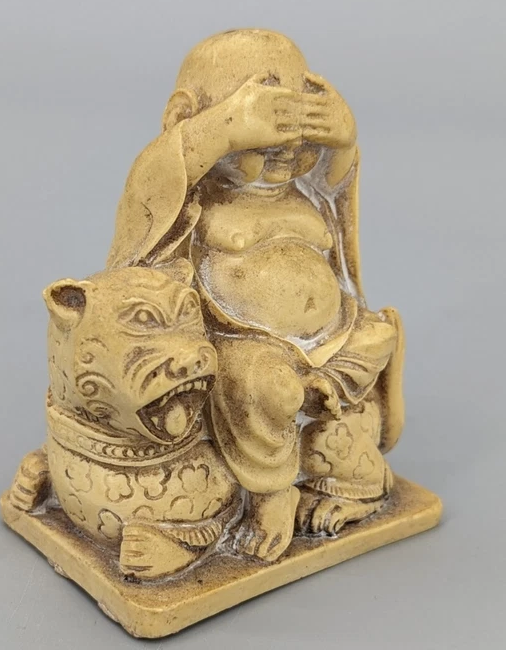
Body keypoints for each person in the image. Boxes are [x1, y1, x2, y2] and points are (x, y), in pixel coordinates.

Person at [107, 29, 404, 560]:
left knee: (376, 334)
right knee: (252, 381)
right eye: (262, 146)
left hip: (333, 341)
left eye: (301, 143)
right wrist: (221, 129)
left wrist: (343, 138)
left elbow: (337, 190)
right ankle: (270, 494)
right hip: (247, 344)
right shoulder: (197, 201)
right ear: (186, 118)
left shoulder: (305, 193)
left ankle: (354, 486)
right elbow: (150, 190)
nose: (287, 157)